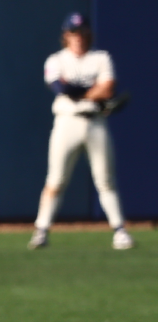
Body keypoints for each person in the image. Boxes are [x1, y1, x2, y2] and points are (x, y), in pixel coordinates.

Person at [30, 13, 131, 251]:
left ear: (89, 34)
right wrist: (90, 91)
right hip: (67, 122)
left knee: (105, 180)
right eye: (73, 33)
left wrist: (80, 91)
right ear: (66, 36)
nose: (78, 37)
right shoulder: (56, 60)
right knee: (55, 180)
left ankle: (120, 231)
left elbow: (108, 89)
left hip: (95, 123)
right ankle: (41, 231)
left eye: (82, 33)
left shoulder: (100, 58)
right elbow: (60, 87)